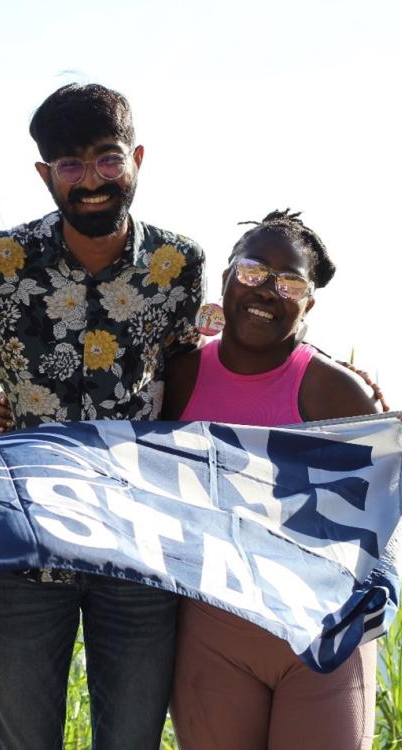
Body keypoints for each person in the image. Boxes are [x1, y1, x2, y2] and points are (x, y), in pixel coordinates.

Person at [0, 82, 205, 748]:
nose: (91, 181)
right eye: (71, 166)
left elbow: (195, 366)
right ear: (44, 173)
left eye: (108, 160)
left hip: (141, 546)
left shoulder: (178, 266)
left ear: (137, 157)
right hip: (24, 545)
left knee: (132, 738)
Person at [163, 210, 379, 749]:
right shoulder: (179, 378)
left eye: (290, 282)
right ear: (227, 278)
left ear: (308, 303)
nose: (268, 290)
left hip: (322, 638)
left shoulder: (337, 392)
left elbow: (382, 507)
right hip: (212, 632)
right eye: (255, 270)